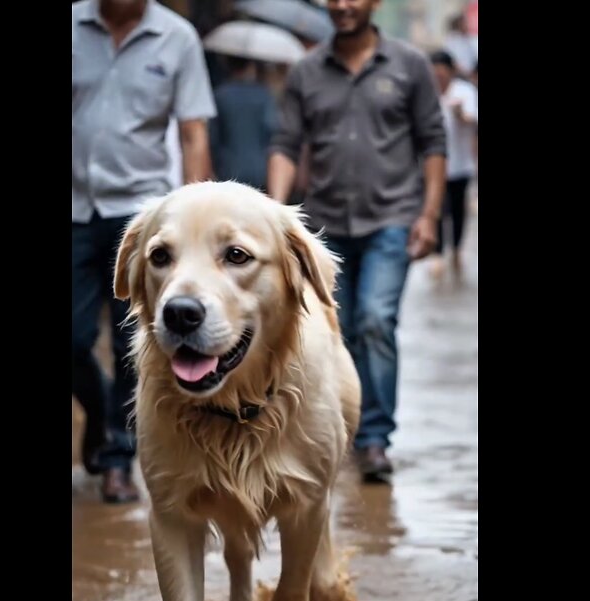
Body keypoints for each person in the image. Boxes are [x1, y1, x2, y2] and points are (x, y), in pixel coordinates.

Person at [268, 0, 446, 482]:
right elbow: (287, 144)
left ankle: (373, 439)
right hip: (326, 225)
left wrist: (429, 215)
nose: (343, 4)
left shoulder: (409, 65)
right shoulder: (306, 71)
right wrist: (274, 214)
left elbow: (433, 142)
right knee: (327, 331)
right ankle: (336, 427)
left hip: (392, 218)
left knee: (374, 320)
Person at [72, 0, 216, 502]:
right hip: (73, 208)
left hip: (143, 215)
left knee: (136, 338)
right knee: (73, 337)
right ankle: (96, 413)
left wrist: (198, 229)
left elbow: (193, 131)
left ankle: (117, 456)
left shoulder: (177, 38)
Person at [428, 51, 478, 277]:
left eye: (442, 73)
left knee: (457, 210)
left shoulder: (464, 92)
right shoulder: (426, 92)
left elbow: (472, 119)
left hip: (460, 164)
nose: (439, 78)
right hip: (433, 165)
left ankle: (456, 249)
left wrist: (460, 114)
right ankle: (438, 254)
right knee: (437, 208)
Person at [209, 57, 278, 192]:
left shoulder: (220, 95)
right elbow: (271, 130)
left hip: (228, 169)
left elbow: (213, 139)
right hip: (260, 169)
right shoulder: (263, 95)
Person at [442, 14, 478, 79]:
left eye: (466, 23)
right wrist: (463, 72)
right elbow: (451, 58)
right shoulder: (452, 39)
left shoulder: (473, 38)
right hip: (459, 75)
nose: (465, 25)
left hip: (474, 73)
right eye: (463, 23)